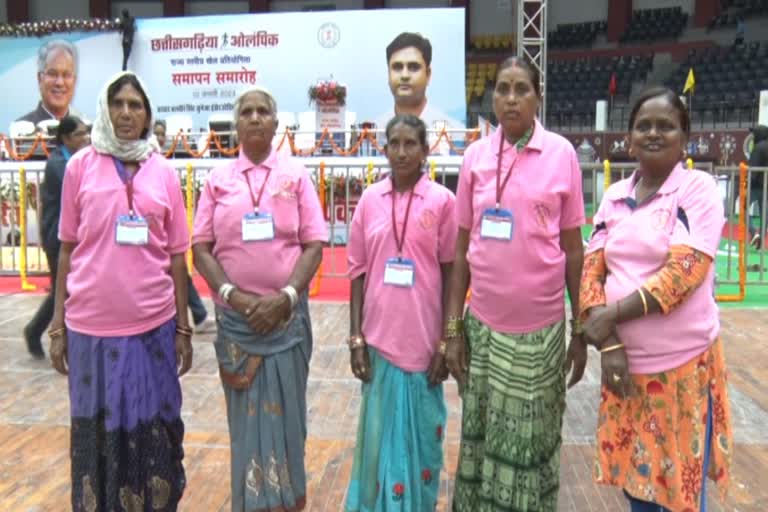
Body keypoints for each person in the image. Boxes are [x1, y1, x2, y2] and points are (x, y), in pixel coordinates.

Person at [444, 56, 587, 511]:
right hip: (483, 329)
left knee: (533, 438)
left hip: (540, 332)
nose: (509, 98)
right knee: (483, 438)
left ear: (538, 97)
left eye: (521, 88)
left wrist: (580, 330)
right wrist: (453, 331)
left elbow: (575, 250)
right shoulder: (475, 157)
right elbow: (461, 251)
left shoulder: (561, 154)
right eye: (501, 88)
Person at [580, 86, 733, 511]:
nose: (653, 133)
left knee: (679, 497)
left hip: (682, 374)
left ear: (684, 138)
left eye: (665, 126)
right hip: (626, 370)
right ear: (628, 138)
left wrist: (609, 316)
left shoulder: (696, 190)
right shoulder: (614, 196)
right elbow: (592, 267)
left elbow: (684, 273)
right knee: (638, 488)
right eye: (643, 125)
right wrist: (609, 344)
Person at [48, 71, 193, 511]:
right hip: (90, 330)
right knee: (97, 436)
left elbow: (177, 255)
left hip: (152, 327)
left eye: (136, 105)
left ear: (148, 114)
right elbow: (68, 248)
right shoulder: (80, 168)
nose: (127, 113)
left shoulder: (163, 171)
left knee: (155, 434)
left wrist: (183, 328)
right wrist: (57, 325)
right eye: (118, 104)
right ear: (104, 111)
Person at [192, 85, 325, 512]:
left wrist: (286, 297)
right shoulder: (217, 180)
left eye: (261, 111)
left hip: (286, 323)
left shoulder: (295, 175)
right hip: (237, 325)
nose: (253, 118)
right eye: (245, 111)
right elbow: (201, 248)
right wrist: (233, 295)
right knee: (245, 428)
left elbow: (314, 245)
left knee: (288, 422)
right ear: (236, 124)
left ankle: (288, 502)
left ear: (275, 123)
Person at [344, 114, 456, 511]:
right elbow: (356, 272)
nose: (403, 151)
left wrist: (447, 341)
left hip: (425, 351)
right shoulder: (371, 200)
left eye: (412, 144)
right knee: (377, 452)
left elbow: (452, 278)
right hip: (378, 346)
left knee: (422, 451)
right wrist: (356, 339)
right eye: (395, 143)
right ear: (384, 148)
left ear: (426, 151)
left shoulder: (443, 202)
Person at [22, 115, 90, 359]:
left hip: (69, 235)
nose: (86, 138)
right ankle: (35, 330)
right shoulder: (58, 163)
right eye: (80, 134)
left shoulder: (73, 159)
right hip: (57, 237)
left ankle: (59, 338)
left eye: (86, 133)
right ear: (66, 137)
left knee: (68, 289)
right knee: (62, 289)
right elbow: (80, 190)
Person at [153, 118, 215, 332]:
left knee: (180, 274)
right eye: (156, 133)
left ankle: (195, 316)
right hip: (148, 240)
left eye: (162, 134)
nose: (159, 138)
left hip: (164, 236)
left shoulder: (162, 165)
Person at [374, 32, 464, 143]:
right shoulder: (374, 132)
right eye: (397, 67)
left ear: (428, 74)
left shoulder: (456, 133)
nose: (404, 75)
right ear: (388, 74)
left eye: (413, 67)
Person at [17, 39, 81, 125]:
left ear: (74, 81)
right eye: (52, 74)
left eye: (66, 75)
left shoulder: (85, 132)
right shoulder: (20, 132)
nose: (60, 83)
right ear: (40, 79)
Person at [748, 124, 768, 249]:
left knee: (744, 207)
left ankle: (754, 232)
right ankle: (761, 238)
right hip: (767, 187)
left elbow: (753, 170)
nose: (753, 136)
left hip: (756, 186)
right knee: (764, 215)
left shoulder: (759, 147)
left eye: (754, 133)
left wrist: (745, 184)